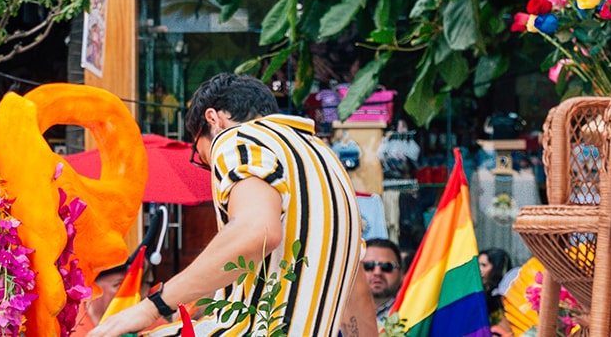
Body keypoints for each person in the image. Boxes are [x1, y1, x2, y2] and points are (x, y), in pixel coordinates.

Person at [91, 73, 374, 337]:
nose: (211, 167)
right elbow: (356, 287)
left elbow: (256, 231)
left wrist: (151, 307)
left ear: (213, 119)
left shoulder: (237, 138)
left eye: (202, 157)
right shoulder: (328, 162)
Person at [362, 239, 404, 324]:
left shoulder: (414, 312)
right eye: (369, 266)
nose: (377, 272)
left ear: (401, 274)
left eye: (387, 267)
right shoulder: (338, 312)